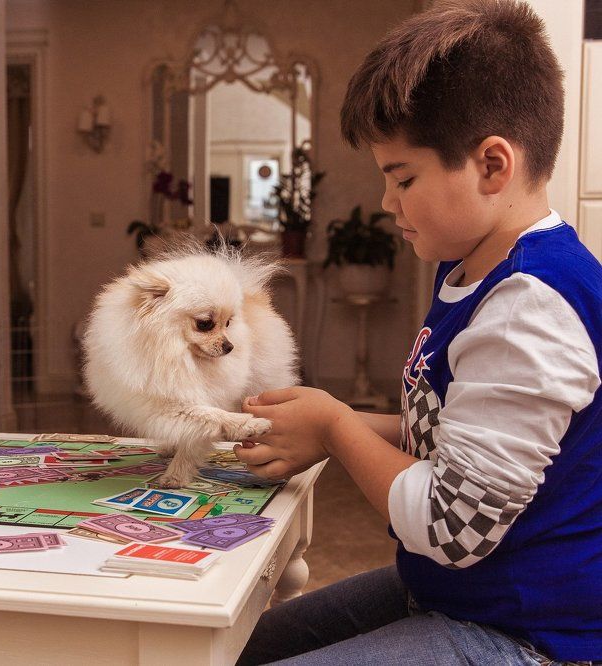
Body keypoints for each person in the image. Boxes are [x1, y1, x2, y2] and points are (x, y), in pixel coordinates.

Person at [235, 1, 602, 664]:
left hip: (528, 633)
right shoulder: (472, 268)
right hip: (464, 594)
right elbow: (448, 431)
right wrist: (329, 421)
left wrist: (335, 427)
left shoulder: (530, 308)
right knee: (233, 646)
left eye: (403, 178)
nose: (387, 202)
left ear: (492, 166)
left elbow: (451, 524)